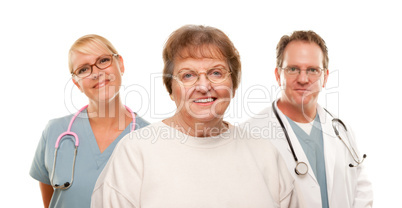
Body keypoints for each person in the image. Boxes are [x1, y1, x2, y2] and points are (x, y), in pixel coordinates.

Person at [91, 25, 302, 208]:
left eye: (216, 73)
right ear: (171, 89)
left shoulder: (265, 154)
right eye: (188, 75)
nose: (203, 86)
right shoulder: (135, 153)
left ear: (234, 85)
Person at [243, 30, 373, 207]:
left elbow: (362, 189)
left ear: (325, 77)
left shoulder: (341, 129)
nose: (303, 79)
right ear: (277, 75)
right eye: (293, 69)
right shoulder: (250, 135)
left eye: (312, 70)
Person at [29, 34, 149, 208]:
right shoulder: (55, 132)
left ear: (120, 64)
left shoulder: (150, 138)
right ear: (76, 83)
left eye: (103, 60)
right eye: (83, 69)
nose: (97, 73)